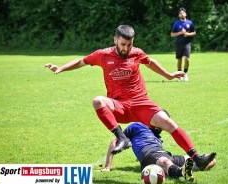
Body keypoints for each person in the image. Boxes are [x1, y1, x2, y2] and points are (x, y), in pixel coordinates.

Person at [45, 25, 215, 171]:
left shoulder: (137, 53)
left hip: (141, 103)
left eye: (130, 44)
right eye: (123, 44)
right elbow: (81, 61)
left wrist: (169, 75)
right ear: (115, 40)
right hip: (118, 105)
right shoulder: (103, 55)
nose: (126, 48)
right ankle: (122, 138)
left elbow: (151, 62)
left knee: (169, 123)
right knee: (98, 100)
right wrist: (60, 68)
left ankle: (196, 157)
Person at [100, 122, 216, 182]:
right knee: (164, 161)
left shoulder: (158, 136)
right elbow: (115, 142)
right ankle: (181, 171)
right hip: (149, 156)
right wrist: (107, 166)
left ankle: (187, 169)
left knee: (211, 161)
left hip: (166, 155)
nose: (161, 128)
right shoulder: (137, 126)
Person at [171, 7, 196, 82]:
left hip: (187, 43)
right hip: (178, 43)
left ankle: (185, 73)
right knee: (179, 60)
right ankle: (179, 76)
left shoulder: (190, 23)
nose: (182, 14)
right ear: (179, 15)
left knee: (187, 59)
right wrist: (180, 33)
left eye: (183, 12)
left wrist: (187, 34)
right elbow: (172, 34)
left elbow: (194, 33)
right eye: (180, 13)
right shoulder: (176, 23)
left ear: (186, 14)